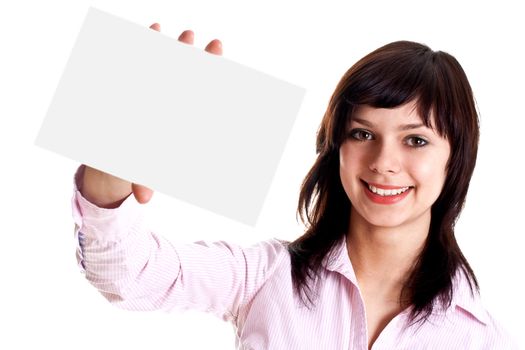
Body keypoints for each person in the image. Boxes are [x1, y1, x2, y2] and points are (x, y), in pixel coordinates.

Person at [72, 23, 517, 349]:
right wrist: (110, 173)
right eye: (362, 134)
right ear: (335, 146)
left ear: (455, 157)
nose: (384, 163)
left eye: (415, 140)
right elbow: (129, 273)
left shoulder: (481, 338)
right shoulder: (267, 276)